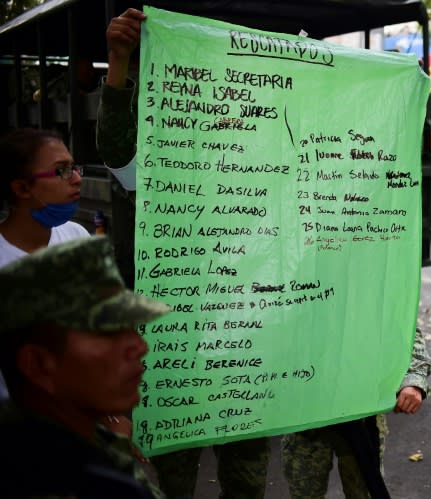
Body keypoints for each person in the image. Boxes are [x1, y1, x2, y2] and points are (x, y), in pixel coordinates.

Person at [96, 8, 271, 498]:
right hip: (175, 360)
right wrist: (118, 61)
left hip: (245, 357)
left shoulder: (266, 174)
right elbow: (114, 147)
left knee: (247, 482)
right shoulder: (159, 169)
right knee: (174, 482)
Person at [0, 236, 170, 498]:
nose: (140, 347)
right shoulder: (43, 481)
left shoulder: (92, 444)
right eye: (109, 333)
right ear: (37, 364)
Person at [281, 327, 431, 498]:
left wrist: (414, 380)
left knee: (363, 491)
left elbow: (405, 329)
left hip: (361, 414)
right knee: (304, 492)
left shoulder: (375, 299)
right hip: (306, 413)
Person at [0, 128, 90, 400]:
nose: (76, 179)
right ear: (22, 188)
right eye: (61, 170)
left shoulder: (77, 237)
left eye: (75, 168)